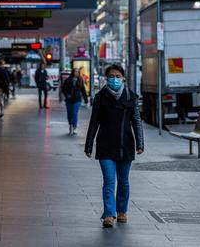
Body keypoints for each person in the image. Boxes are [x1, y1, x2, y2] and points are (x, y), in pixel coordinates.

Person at [84, 64, 144, 228]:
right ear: (107, 78)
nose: (115, 79)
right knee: (109, 181)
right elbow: (94, 123)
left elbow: (137, 122)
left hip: (126, 145)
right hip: (105, 146)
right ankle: (109, 214)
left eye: (118, 76)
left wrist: (140, 143)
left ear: (123, 78)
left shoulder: (131, 97)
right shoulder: (101, 97)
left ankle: (122, 211)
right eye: (112, 76)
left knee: (123, 181)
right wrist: (88, 145)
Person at [61, 68, 88, 135]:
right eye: (75, 71)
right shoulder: (68, 80)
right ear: (72, 72)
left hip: (77, 99)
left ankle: (74, 126)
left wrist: (86, 100)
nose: (76, 73)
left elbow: (83, 90)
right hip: (69, 100)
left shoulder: (80, 80)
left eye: (78, 72)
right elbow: (63, 89)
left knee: (74, 113)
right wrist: (67, 95)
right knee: (69, 114)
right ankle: (70, 124)